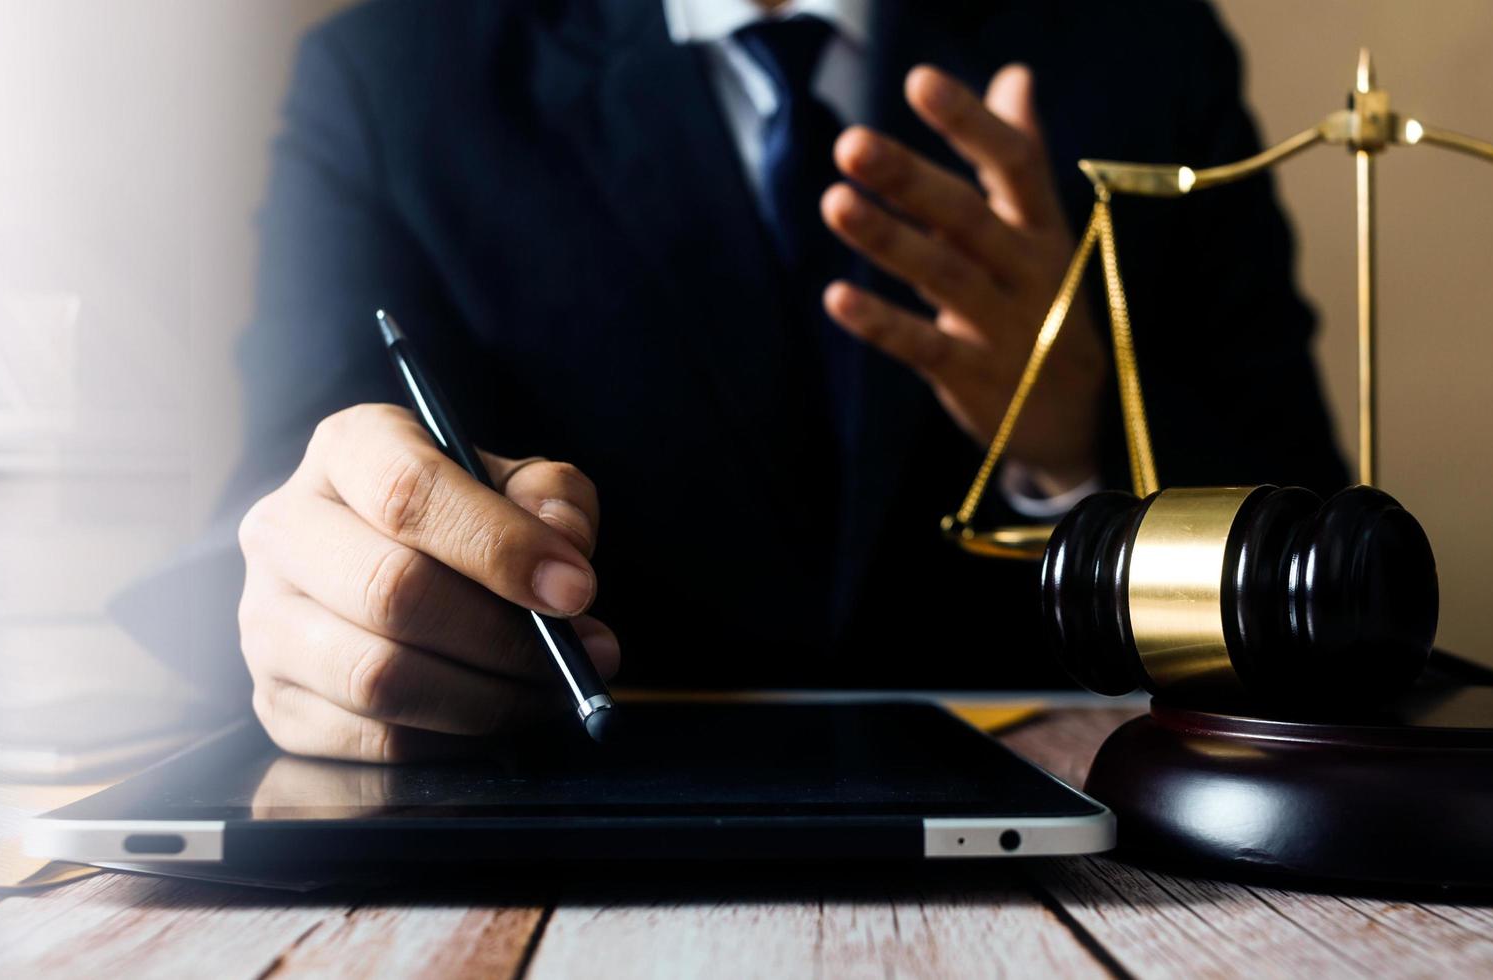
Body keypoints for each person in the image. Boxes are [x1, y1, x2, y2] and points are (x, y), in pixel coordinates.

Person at [192, 0, 1350, 760]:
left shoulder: (1142, 47)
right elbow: (287, 504)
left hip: (1105, 847)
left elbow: (1325, 569)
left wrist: (1083, 434)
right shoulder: (389, 75)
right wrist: (332, 591)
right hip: (567, 833)